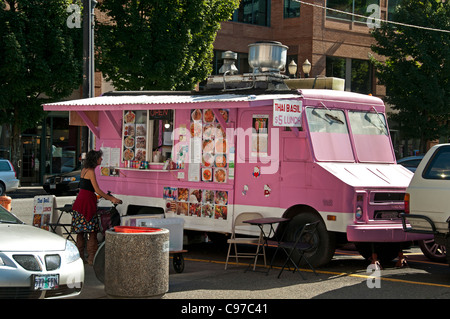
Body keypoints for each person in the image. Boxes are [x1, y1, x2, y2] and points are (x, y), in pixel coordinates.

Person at [72, 150, 121, 265]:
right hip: (87, 203)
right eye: (100, 158)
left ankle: (80, 258)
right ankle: (91, 259)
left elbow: (87, 188)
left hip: (79, 203)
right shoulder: (91, 171)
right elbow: (97, 190)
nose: (101, 160)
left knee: (80, 233)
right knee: (92, 232)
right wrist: (111, 199)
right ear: (95, 159)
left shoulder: (84, 170)